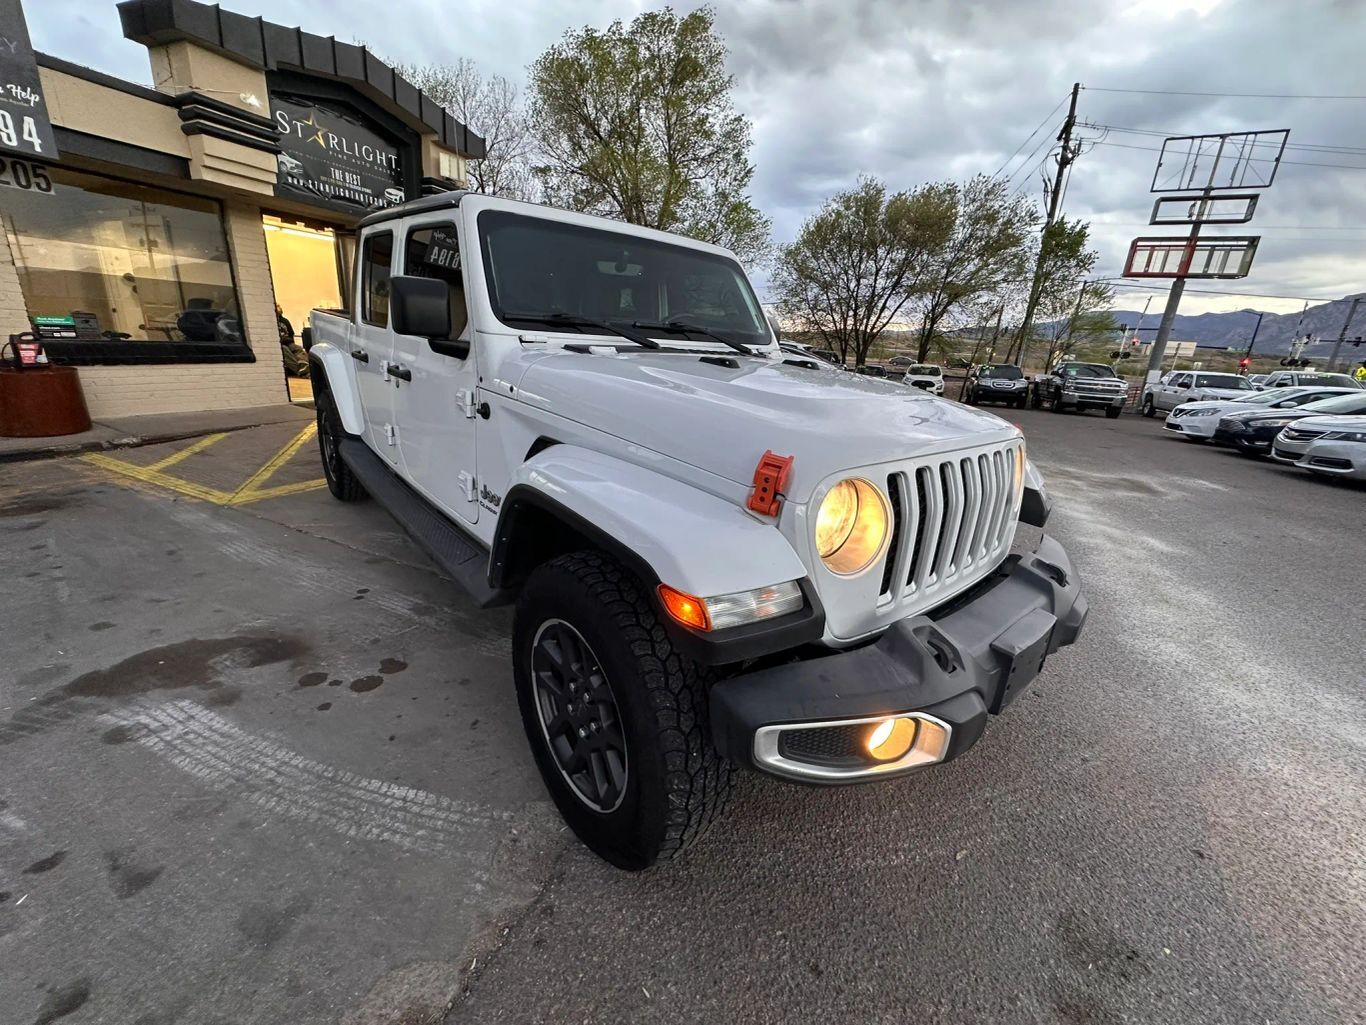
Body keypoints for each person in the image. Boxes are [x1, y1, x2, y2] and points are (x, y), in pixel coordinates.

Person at [277, 303, 308, 378]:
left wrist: (291, 342)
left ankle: (305, 367)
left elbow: (291, 333)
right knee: (285, 350)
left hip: (288, 341)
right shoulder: (270, 321)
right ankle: (298, 370)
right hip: (280, 343)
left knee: (298, 349)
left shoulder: (285, 321)